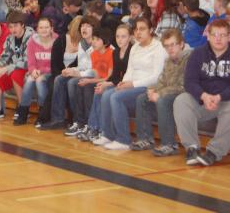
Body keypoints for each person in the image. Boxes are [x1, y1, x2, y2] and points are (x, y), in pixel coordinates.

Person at [94, 17, 167, 150]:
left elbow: (157, 77)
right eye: (136, 29)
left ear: (151, 30)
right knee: (107, 94)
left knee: (116, 97)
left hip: (148, 87)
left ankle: (123, 140)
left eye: (142, 29)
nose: (138, 32)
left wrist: (132, 84)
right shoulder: (135, 48)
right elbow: (130, 71)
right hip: (132, 84)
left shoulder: (158, 47)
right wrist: (122, 84)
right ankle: (108, 134)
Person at [174, 19, 230, 166]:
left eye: (223, 35)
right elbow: (189, 82)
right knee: (181, 100)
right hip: (203, 101)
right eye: (215, 34)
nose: (218, 38)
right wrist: (204, 96)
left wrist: (219, 97)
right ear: (208, 36)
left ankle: (214, 152)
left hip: (225, 102)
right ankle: (192, 148)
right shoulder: (198, 54)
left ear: (229, 37)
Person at [132, 29, 190, 156]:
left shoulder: (189, 59)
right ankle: (145, 139)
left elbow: (182, 85)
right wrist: (152, 89)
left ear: (181, 44)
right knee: (142, 98)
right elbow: (162, 81)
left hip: (184, 95)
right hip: (169, 92)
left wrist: (160, 93)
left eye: (173, 44)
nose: (170, 49)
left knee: (162, 100)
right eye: (167, 46)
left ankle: (169, 144)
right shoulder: (168, 61)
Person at [0, 11, 33, 119]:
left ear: (22, 24)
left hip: (29, 69)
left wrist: (7, 68)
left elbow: (27, 61)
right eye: (11, 27)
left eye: (16, 26)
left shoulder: (31, 37)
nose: (13, 30)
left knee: (16, 74)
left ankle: (23, 108)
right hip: (14, 68)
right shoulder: (10, 38)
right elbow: (5, 55)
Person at [86, 25, 133, 142]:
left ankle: (104, 130)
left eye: (123, 36)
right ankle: (93, 127)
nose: (120, 39)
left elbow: (127, 75)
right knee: (99, 89)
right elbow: (115, 75)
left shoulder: (133, 50)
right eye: (118, 36)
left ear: (130, 37)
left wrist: (108, 84)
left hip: (129, 83)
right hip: (119, 82)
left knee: (106, 92)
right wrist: (105, 83)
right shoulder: (116, 52)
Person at [15, 17, 58, 126]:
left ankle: (43, 115)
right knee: (29, 80)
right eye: (41, 27)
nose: (44, 30)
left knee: (39, 81)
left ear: (51, 28)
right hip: (37, 71)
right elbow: (31, 62)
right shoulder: (32, 41)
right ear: (37, 29)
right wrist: (33, 70)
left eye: (47, 27)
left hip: (51, 72)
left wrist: (40, 72)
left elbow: (56, 64)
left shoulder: (57, 41)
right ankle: (22, 113)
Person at [75, 27, 114, 141]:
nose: (93, 42)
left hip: (111, 82)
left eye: (97, 39)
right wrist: (88, 81)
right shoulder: (94, 54)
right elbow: (97, 75)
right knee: (83, 85)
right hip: (101, 81)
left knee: (97, 89)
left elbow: (109, 78)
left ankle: (97, 128)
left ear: (105, 41)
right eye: (93, 39)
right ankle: (88, 125)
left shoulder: (111, 53)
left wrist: (89, 81)